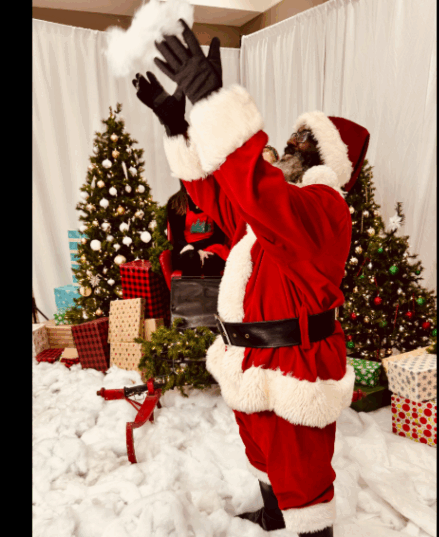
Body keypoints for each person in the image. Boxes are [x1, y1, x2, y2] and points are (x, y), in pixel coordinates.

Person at [132, 20, 370, 537]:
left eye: (305, 140)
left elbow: (257, 187)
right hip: (250, 358)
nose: (291, 142)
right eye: (293, 134)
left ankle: (310, 528)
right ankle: (271, 512)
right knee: (261, 450)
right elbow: (216, 197)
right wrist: (179, 126)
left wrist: (214, 102)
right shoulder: (275, 213)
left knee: (302, 475)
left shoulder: (322, 207)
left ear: (331, 160)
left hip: (294, 364)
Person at [166, 183, 228, 276]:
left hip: (212, 246)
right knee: (191, 258)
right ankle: (190, 286)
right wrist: (197, 251)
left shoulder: (214, 199)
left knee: (210, 260)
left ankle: (211, 286)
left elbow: (219, 236)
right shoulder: (175, 202)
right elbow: (178, 238)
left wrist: (202, 250)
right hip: (186, 249)